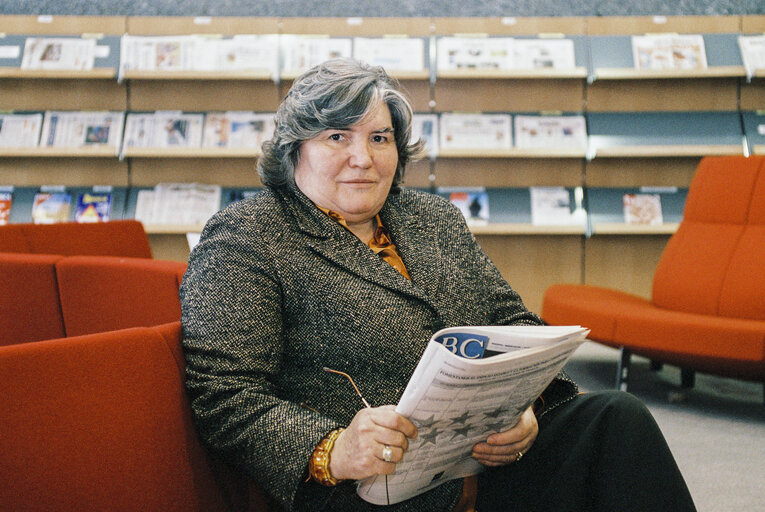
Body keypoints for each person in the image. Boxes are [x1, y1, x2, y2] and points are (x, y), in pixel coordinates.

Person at [180, 58, 696, 512]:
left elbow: (513, 322)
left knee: (616, 418)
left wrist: (527, 412)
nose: (363, 157)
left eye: (379, 138)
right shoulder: (248, 235)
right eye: (337, 136)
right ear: (295, 150)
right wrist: (333, 448)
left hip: (488, 466)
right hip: (370, 489)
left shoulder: (432, 217)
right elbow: (226, 396)